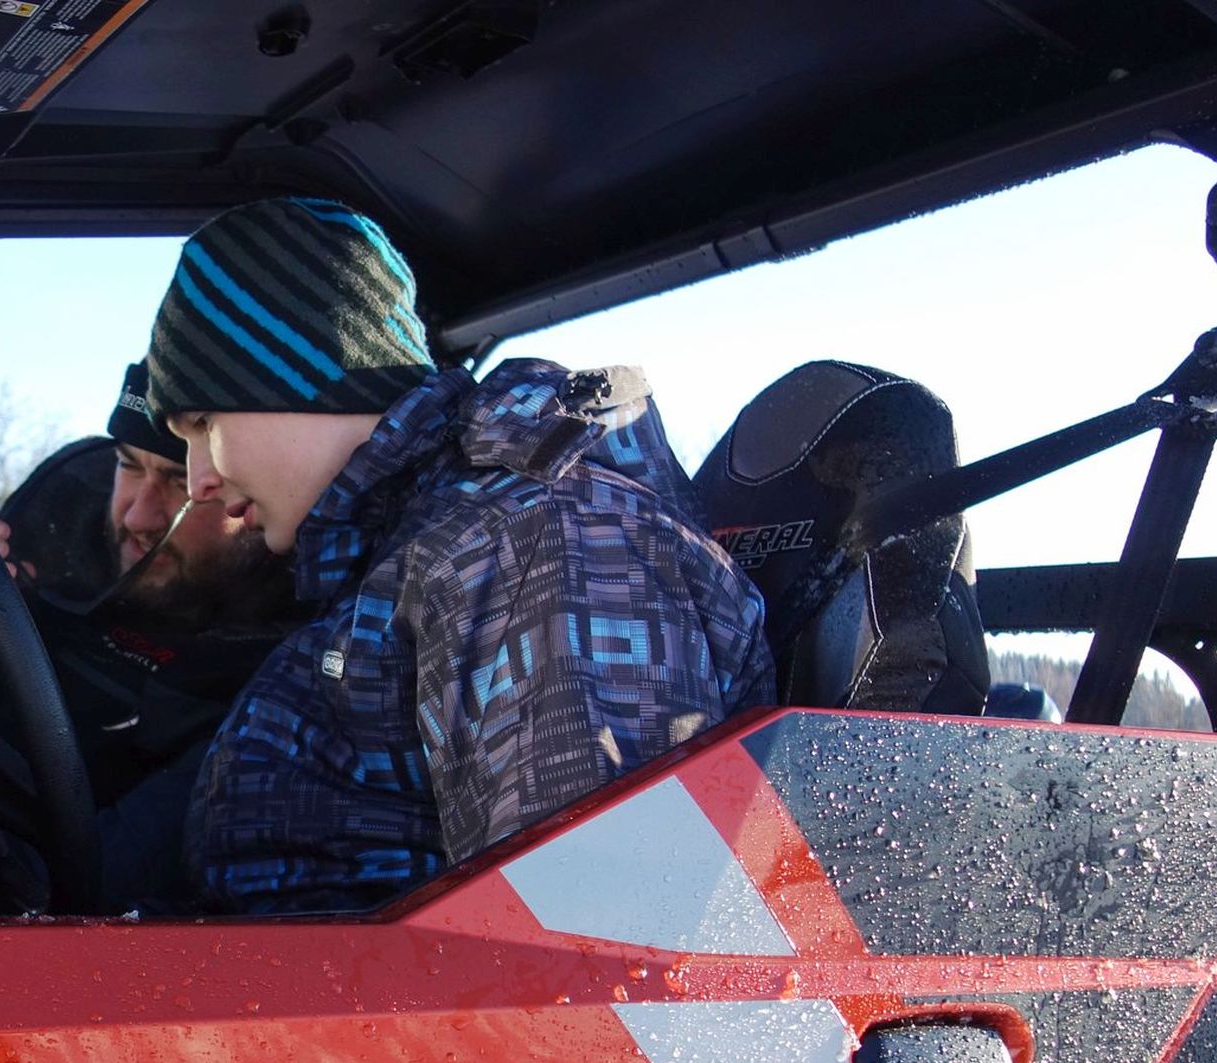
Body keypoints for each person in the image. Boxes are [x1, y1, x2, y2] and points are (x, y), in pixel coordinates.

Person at [150, 197, 777, 914]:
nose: (197, 480)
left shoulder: (529, 544)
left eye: (203, 423)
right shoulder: (411, 544)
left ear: (298, 373)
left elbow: (608, 929)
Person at [0, 363, 303, 913]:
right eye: (128, 465)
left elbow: (97, 884)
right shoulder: (60, 529)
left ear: (249, 496)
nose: (137, 514)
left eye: (178, 482)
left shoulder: (282, 664)